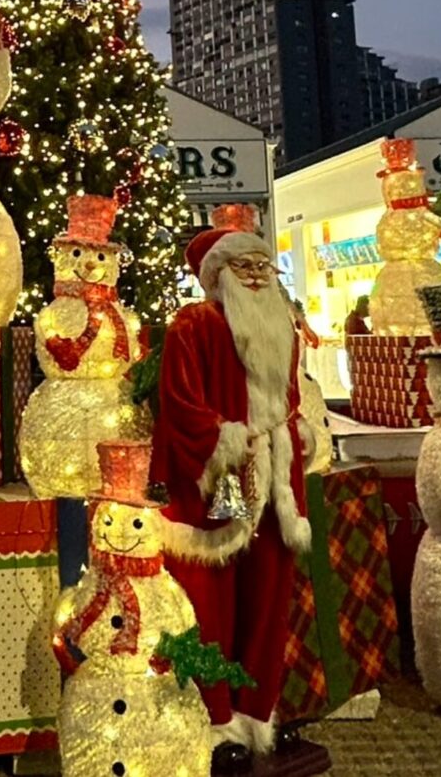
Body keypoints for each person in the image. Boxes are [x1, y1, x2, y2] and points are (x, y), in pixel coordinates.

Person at [150, 227, 316, 773]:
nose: (256, 274)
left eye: (262, 264)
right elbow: (179, 404)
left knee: (268, 596)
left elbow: (289, 399)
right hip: (222, 477)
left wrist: (298, 435)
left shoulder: (281, 324)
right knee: (212, 600)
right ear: (217, 275)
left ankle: (257, 710)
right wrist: (226, 440)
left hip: (277, 483)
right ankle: (215, 719)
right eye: (243, 265)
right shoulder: (193, 324)